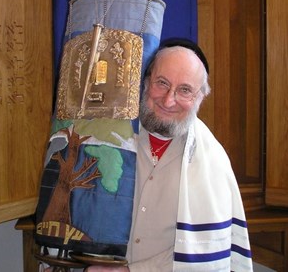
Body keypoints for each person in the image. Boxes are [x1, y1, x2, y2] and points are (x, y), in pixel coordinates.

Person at [85, 38, 253, 272]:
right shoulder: (107, 135)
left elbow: (203, 250)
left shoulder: (212, 161)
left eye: (184, 90)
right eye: (162, 83)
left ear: (200, 97)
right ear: (145, 82)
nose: (168, 100)